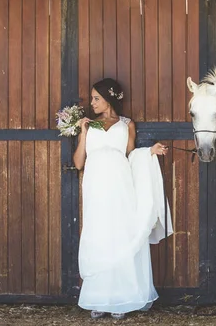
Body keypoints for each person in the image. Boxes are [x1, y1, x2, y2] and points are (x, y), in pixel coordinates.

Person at [73, 78, 173, 320]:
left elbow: (130, 156)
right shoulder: (89, 125)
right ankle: (99, 298)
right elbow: (78, 163)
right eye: (92, 98)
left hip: (120, 186)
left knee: (120, 234)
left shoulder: (127, 124)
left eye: (96, 98)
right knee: (99, 235)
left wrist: (150, 151)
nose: (93, 103)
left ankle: (122, 299)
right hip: (96, 186)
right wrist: (83, 133)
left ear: (109, 98)